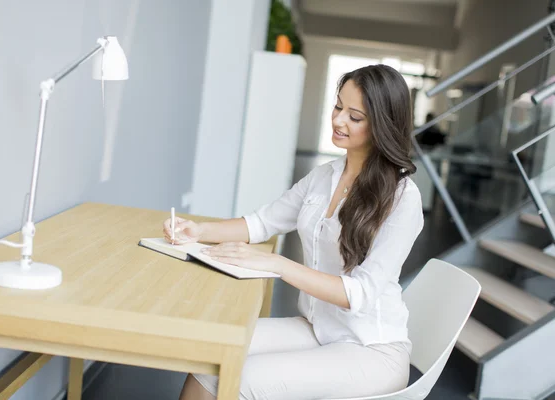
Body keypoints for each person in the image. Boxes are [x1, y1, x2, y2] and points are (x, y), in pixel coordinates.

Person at [163, 64, 424, 400]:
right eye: (338, 106)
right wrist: (198, 229)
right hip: (317, 329)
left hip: (371, 350)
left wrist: (277, 265)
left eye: (354, 116)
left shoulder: (403, 198)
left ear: (382, 125)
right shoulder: (324, 176)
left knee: (245, 379)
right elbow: (261, 223)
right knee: (214, 352)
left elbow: (358, 294)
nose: (339, 120)